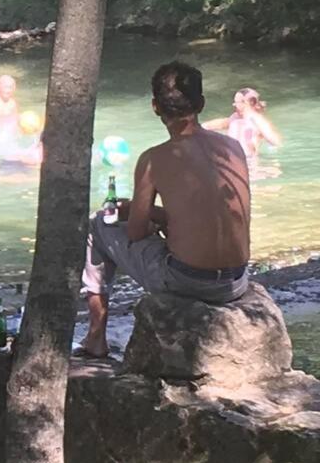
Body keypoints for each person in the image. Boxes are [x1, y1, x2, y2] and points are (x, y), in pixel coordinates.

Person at [77, 62, 251, 359]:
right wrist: (157, 215)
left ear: (155, 107)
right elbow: (205, 213)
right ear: (202, 103)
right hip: (237, 280)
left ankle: (95, 338)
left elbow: (134, 232)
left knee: (98, 224)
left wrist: (137, 214)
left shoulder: (154, 159)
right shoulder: (232, 147)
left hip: (189, 282)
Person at [204, 87, 281, 157]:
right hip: (230, 158)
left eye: (237, 102)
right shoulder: (234, 118)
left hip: (248, 160)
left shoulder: (258, 121)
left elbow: (275, 141)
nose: (234, 105)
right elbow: (215, 125)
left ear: (247, 103)